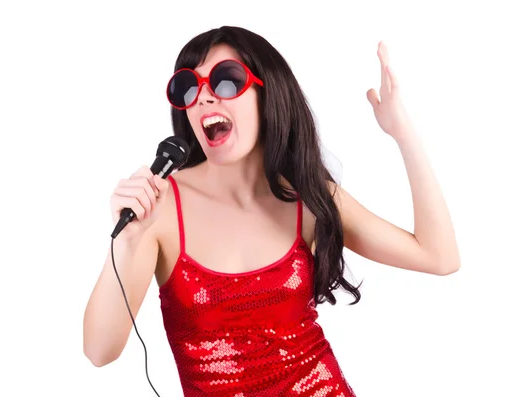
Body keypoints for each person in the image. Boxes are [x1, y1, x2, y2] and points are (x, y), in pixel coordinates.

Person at [83, 26, 460, 396]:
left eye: (226, 81)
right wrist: (126, 242)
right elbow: (100, 352)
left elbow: (439, 256)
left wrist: (403, 133)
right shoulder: (158, 208)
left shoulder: (308, 199)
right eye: (189, 88)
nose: (204, 98)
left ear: (268, 94)